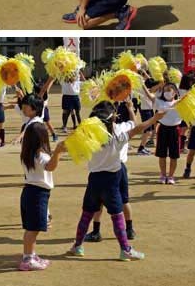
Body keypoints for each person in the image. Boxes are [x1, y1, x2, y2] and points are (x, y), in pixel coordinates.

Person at [68, 101, 165, 260]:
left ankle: (77, 246)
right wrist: (155, 118)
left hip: (94, 180)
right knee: (117, 215)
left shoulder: (89, 139)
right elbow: (137, 128)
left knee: (86, 214)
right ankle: (125, 249)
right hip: (111, 181)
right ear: (112, 120)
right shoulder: (116, 138)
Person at [84, 98, 138, 242]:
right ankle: (129, 229)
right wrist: (130, 108)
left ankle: (96, 231)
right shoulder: (121, 128)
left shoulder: (95, 132)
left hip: (101, 169)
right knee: (124, 200)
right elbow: (134, 124)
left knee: (98, 202)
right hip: (119, 168)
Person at [18, 122, 66, 271]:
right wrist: (57, 152)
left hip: (30, 192)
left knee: (31, 228)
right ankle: (27, 259)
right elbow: (51, 167)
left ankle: (30, 255)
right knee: (33, 229)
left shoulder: (27, 154)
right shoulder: (40, 156)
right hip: (37, 194)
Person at [154, 82, 181, 184]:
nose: (166, 93)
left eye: (169, 90)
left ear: (175, 92)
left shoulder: (180, 103)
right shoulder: (160, 102)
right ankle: (163, 175)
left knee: (174, 155)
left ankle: (171, 176)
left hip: (175, 130)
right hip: (163, 129)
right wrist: (142, 86)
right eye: (165, 91)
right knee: (162, 155)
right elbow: (149, 95)